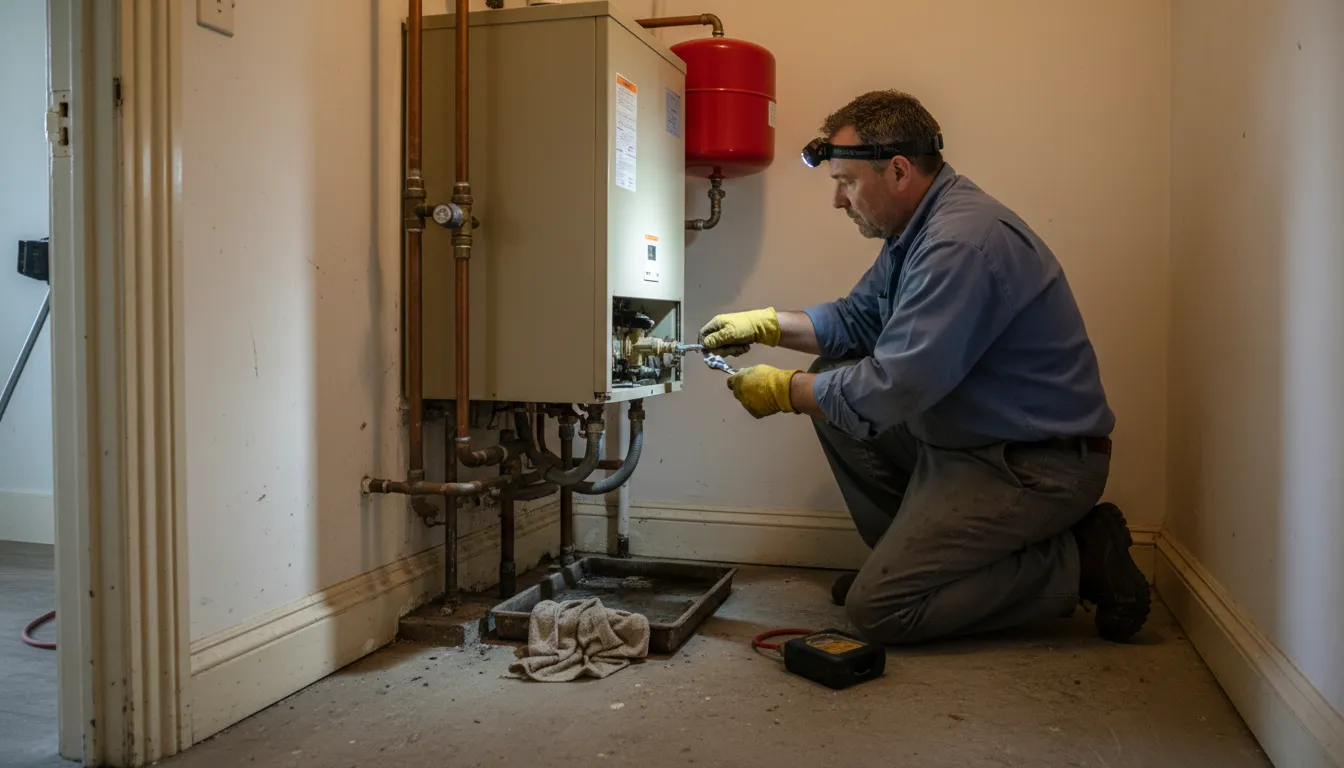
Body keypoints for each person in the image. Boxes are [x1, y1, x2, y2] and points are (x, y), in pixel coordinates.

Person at [698, 90, 1150, 645]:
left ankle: (1080, 558)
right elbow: (856, 321)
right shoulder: (913, 231)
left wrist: (783, 390)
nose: (839, 201)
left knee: (879, 613)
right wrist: (768, 323)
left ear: (898, 170)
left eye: (846, 183)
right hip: (972, 442)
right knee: (832, 373)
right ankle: (920, 569)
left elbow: (894, 387)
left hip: (1035, 466)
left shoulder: (958, 243)